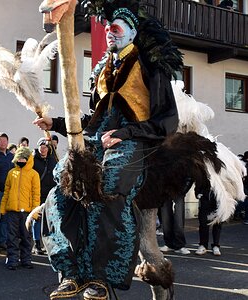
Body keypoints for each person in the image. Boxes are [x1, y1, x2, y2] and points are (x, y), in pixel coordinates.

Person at [34, 2, 181, 299]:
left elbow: (167, 121)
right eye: (108, 29)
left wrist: (126, 133)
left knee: (108, 187)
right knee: (61, 186)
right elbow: (92, 119)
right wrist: (58, 123)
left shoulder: (151, 66)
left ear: (133, 32)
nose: (110, 34)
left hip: (132, 140)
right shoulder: (101, 69)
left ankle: (100, 278)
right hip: (96, 140)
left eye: (116, 29)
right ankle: (70, 272)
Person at [0, 147, 40, 270]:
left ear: (28, 159)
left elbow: (36, 194)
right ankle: (12, 259)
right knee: (11, 237)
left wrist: (34, 212)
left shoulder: (34, 174)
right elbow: (6, 191)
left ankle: (26, 259)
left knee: (26, 236)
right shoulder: (11, 173)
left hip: (27, 212)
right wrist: (3, 208)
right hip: (12, 211)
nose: (21, 160)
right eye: (19, 158)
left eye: (24, 158)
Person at [32, 137, 57, 255]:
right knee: (37, 219)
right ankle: (36, 243)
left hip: (49, 194)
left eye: (45, 147)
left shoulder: (52, 159)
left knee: (50, 219)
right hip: (37, 193)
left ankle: (48, 243)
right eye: (41, 147)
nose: (43, 149)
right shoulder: (33, 160)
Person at [159, 178, 193, 255]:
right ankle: (169, 243)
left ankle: (180, 244)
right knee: (165, 217)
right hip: (165, 188)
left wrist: (183, 190)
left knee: (179, 217)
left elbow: (189, 174)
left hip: (179, 187)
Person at [195, 179, 222, 256]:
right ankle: (203, 245)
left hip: (219, 196)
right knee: (203, 222)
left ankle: (216, 245)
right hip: (205, 196)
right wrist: (197, 192)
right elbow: (198, 178)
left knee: (217, 223)